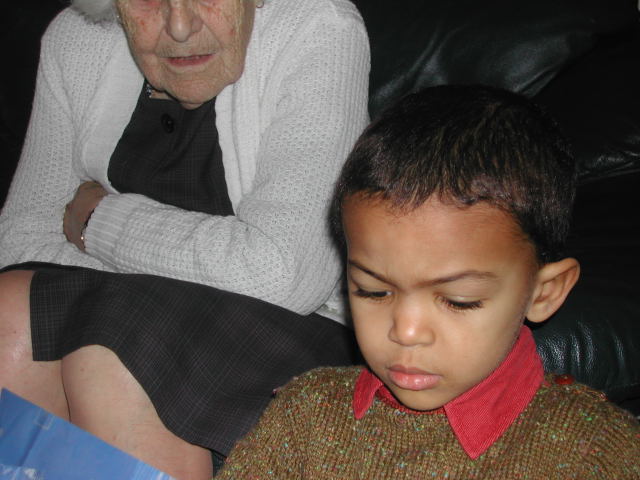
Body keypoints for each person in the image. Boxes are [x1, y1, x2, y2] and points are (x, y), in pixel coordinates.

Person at [0, 0, 369, 477]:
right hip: (128, 319)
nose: (179, 26)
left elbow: (283, 274)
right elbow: (21, 239)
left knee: (117, 355)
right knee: (10, 313)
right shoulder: (78, 38)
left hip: (293, 335)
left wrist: (99, 221)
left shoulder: (319, 27)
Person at [217, 85, 640, 478]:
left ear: (544, 292)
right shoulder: (305, 417)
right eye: (373, 291)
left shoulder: (598, 453)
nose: (406, 332)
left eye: (458, 300)